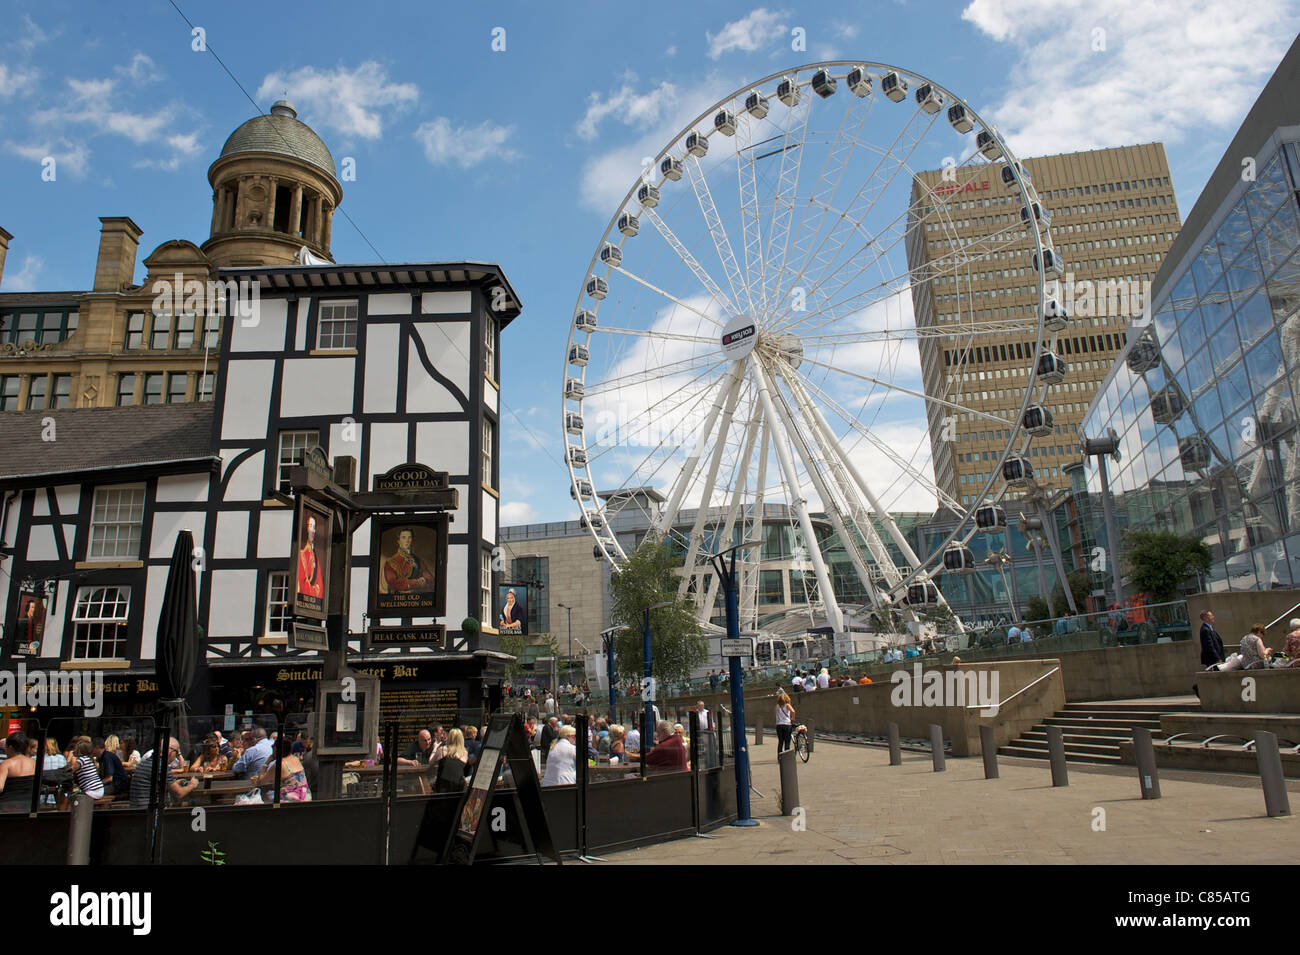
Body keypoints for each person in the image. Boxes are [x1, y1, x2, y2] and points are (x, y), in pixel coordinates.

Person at [129, 738, 201, 808]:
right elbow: (179, 793)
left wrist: (175, 783)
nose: (176, 756)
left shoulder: (145, 763)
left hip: (137, 810)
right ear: (170, 752)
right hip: (150, 813)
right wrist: (192, 785)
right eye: (177, 753)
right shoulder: (161, 767)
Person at [252, 737, 312, 801]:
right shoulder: (295, 759)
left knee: (262, 792)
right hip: (306, 797)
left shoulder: (280, 765)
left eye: (273, 746)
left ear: (276, 749)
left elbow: (260, 783)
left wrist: (267, 763)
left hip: (291, 802)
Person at [381, 527, 435, 594]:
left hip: (417, 598)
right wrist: (417, 582)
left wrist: (425, 580)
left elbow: (430, 578)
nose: (407, 540)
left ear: (412, 540)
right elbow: (393, 582)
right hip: (397, 599)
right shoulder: (391, 562)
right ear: (398, 541)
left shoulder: (417, 560)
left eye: (409, 537)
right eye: (403, 537)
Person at [0, 733, 36, 810]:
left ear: (10, 747)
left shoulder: (6, 763)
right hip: (30, 803)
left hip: (7, 805)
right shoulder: (34, 762)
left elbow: (0, 787)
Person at [297, 513, 325, 599]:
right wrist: (313, 589)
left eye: (314, 527)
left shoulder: (315, 556)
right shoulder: (301, 554)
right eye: (310, 526)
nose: (312, 530)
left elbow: (320, 585)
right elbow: (300, 583)